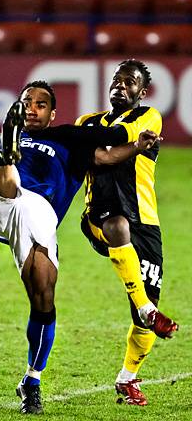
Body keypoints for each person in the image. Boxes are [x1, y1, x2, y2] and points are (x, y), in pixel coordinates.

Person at [0, 80, 160, 415]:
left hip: (34, 219)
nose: (33, 108)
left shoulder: (69, 138)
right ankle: (4, 149)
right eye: (26, 102)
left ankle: (32, 381)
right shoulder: (9, 145)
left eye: (40, 104)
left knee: (43, 300)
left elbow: (108, 151)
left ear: (52, 114)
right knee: (3, 173)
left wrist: (138, 144)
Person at [76, 60, 179, 406]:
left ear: (142, 92)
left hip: (146, 225)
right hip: (99, 216)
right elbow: (102, 157)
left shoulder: (150, 117)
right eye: (116, 81)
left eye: (130, 83)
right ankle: (147, 308)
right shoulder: (87, 122)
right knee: (116, 224)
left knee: (143, 325)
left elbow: (109, 147)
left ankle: (127, 378)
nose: (120, 86)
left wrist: (98, 148)